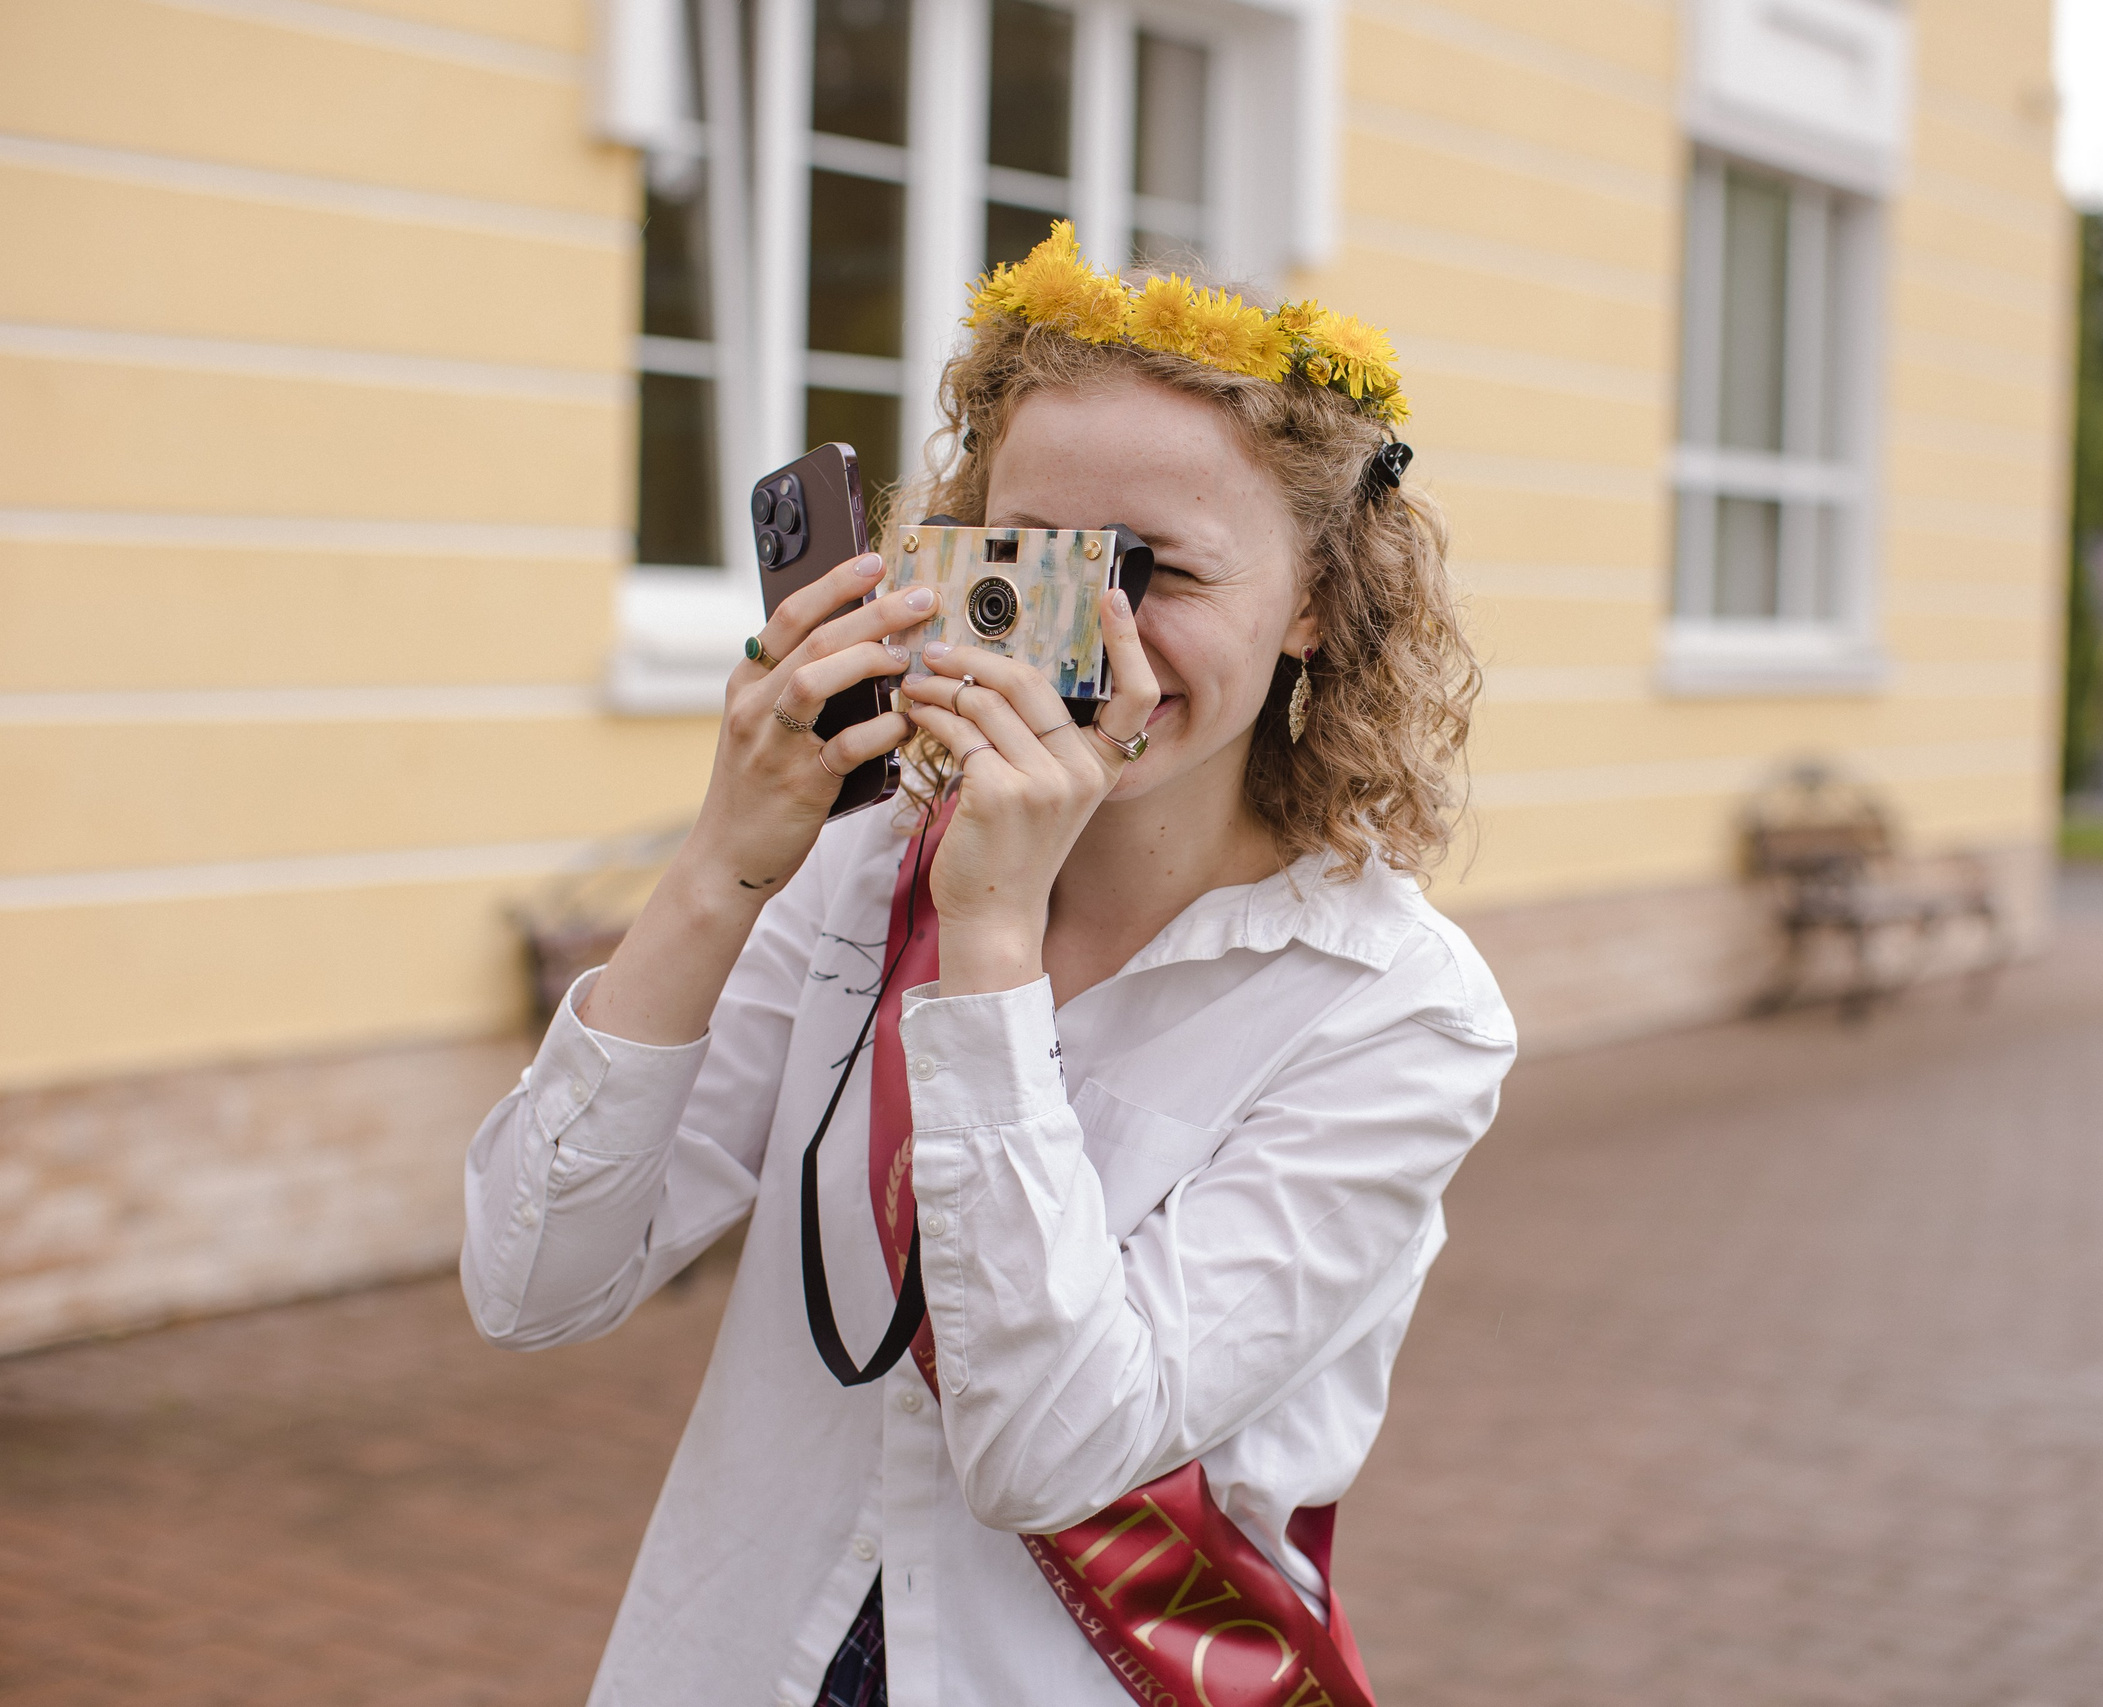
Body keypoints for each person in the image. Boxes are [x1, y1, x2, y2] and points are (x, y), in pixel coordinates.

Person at [461, 223, 1514, 1707]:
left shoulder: (1394, 1011)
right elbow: (530, 1278)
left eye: (1153, 569)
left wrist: (991, 944)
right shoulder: (855, 874)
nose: (1085, 627)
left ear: (1317, 608)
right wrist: (721, 865)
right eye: (1029, 554)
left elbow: (1049, 1454)